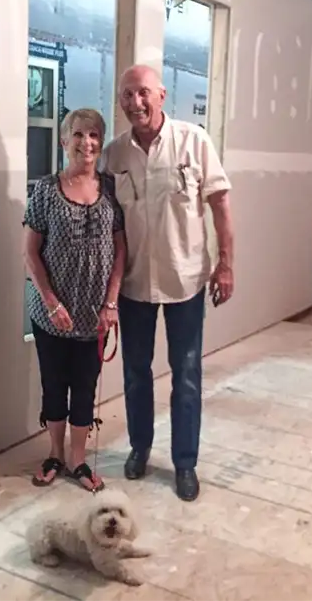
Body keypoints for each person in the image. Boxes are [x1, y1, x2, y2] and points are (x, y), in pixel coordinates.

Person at [102, 65, 234, 501]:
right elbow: (103, 221)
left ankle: (185, 463)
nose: (135, 103)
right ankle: (140, 448)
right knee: (137, 374)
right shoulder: (113, 155)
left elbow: (220, 206)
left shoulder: (194, 142)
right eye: (126, 95)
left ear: (161, 95)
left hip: (186, 280)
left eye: (143, 93)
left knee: (187, 375)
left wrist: (226, 263)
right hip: (134, 283)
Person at [23, 107, 126, 492]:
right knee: (54, 385)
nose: (87, 143)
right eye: (79, 135)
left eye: (95, 135)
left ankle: (78, 461)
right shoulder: (46, 191)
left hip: (94, 316)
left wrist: (111, 302)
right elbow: (30, 253)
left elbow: (120, 251)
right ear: (64, 141)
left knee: (85, 387)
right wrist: (51, 302)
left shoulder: (111, 189)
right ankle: (54, 453)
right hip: (52, 315)